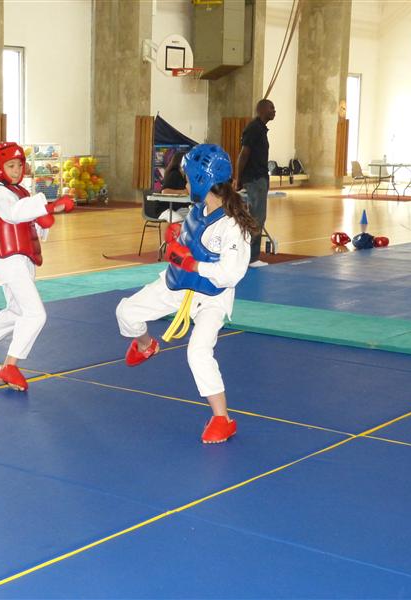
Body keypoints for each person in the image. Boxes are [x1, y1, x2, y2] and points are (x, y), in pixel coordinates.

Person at [116, 144, 260, 443]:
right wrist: (177, 240)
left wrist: (194, 264)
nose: (185, 185)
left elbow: (231, 274)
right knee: (126, 311)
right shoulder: (197, 211)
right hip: (178, 286)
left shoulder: (233, 226)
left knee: (197, 352)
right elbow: (188, 243)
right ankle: (146, 345)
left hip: (211, 298)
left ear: (201, 180)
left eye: (187, 179)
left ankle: (222, 418)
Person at [0, 142, 74, 391]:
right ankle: (9, 366)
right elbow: (14, 214)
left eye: (19, 165)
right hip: (10, 262)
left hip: (23, 258)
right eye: (10, 165)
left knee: (17, 311)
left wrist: (47, 216)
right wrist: (48, 206)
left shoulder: (20, 191)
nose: (16, 170)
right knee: (35, 314)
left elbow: (31, 222)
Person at [235, 98, 275, 267]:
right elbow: (244, 154)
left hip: (260, 178)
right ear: (262, 110)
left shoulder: (260, 129)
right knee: (256, 218)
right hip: (254, 179)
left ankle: (250, 255)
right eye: (271, 108)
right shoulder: (254, 129)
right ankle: (252, 257)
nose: (274, 111)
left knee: (259, 217)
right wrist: (238, 178)